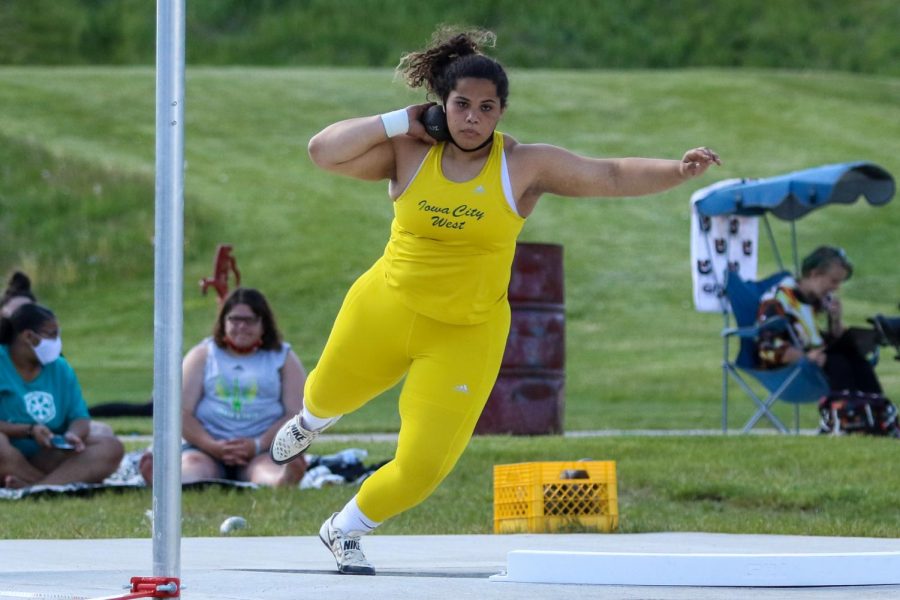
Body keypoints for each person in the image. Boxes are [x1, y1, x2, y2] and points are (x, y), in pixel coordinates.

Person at [269, 26, 721, 575]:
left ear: (501, 112)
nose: (472, 118)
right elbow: (322, 151)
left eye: (486, 107)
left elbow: (611, 175)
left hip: (466, 332)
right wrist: (398, 120)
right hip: (386, 306)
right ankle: (313, 421)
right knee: (326, 393)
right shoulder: (410, 151)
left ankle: (345, 528)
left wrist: (679, 170)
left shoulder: (523, 166)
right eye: (461, 105)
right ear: (441, 105)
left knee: (424, 466)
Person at [145, 287, 308, 487]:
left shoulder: (282, 357)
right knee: (195, 465)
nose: (241, 326)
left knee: (263, 468)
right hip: (205, 446)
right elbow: (180, 412)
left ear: (264, 324)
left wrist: (257, 445)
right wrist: (212, 445)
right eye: (234, 319)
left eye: (250, 320)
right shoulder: (203, 354)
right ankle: (165, 482)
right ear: (223, 322)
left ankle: (283, 479)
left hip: (263, 446)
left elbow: (295, 414)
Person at [756, 246, 894, 432]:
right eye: (833, 281)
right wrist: (805, 357)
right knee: (838, 362)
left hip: (819, 359)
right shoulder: (777, 300)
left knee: (859, 362)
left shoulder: (818, 300)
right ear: (814, 274)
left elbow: (827, 338)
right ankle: (847, 420)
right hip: (791, 367)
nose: (836, 288)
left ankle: (878, 418)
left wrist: (836, 320)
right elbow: (768, 348)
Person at [0, 303, 125, 488]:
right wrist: (29, 430)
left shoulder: (60, 367)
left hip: (47, 453)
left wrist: (72, 436)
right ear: (28, 336)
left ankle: (36, 487)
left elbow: (80, 418)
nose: (57, 342)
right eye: (51, 335)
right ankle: (51, 483)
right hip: (7, 454)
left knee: (111, 447)